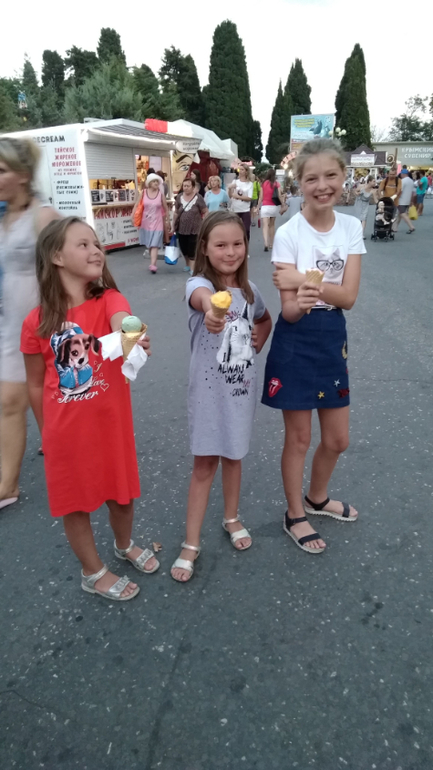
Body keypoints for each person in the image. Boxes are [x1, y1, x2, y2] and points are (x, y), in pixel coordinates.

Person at [20, 217, 158, 601]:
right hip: (64, 434)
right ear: (56, 256)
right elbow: (35, 383)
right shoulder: (36, 322)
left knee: (123, 498)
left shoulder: (108, 299)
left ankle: (123, 544)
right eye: (83, 244)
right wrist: (46, 431)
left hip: (111, 427)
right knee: (76, 506)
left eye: (96, 244)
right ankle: (92, 571)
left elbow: (123, 319)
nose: (96, 250)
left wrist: (131, 336)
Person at [265, 138, 365, 554]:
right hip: (296, 338)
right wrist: (304, 295)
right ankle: (295, 514)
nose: (322, 186)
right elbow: (289, 311)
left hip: (332, 336)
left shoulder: (351, 227)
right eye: (312, 179)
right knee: (299, 438)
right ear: (299, 183)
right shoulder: (289, 233)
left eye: (331, 176)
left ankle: (317, 497)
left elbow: (349, 297)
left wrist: (302, 280)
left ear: (343, 176)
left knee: (338, 439)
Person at [170, 211, 272, 582]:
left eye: (237, 243)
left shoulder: (250, 292)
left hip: (240, 391)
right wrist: (213, 311)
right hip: (207, 396)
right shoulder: (198, 285)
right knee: (204, 466)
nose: (231, 252)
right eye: (221, 245)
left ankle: (232, 517)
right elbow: (202, 300)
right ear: (205, 249)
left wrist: (260, 337)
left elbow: (264, 318)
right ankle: (191, 542)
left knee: (234, 456)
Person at [0, 137, 60, 511]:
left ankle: (70, 457)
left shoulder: (43, 216)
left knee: (48, 400)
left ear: (22, 175)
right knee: (9, 401)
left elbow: (75, 263)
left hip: (44, 326)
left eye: (1, 170)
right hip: (10, 324)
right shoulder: (3, 216)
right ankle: (8, 485)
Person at [132, 173, 169, 274]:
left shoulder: (160, 194)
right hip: (146, 223)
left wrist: (167, 221)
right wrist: (132, 216)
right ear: (149, 183)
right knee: (149, 244)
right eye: (154, 181)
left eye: (157, 181)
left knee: (154, 244)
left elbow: (165, 208)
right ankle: (152, 260)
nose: (156, 183)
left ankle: (153, 264)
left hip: (158, 222)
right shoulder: (143, 193)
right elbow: (137, 205)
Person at [173, 178, 208, 274]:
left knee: (192, 248)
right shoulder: (179, 197)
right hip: (182, 228)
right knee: (184, 248)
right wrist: (173, 225)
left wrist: (204, 222)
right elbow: (176, 212)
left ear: (193, 187)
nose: (186, 188)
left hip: (195, 228)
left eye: (188, 186)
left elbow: (205, 211)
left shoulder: (198, 198)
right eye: (184, 186)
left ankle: (193, 268)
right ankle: (187, 264)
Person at [257, 168, 285, 251]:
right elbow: (279, 195)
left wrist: (258, 207)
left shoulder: (263, 184)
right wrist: (283, 204)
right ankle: (271, 243)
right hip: (273, 207)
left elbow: (261, 197)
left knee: (265, 226)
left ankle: (266, 243)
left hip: (265, 207)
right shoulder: (277, 184)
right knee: (272, 225)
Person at [228, 164, 254, 240]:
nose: (240, 171)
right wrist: (230, 189)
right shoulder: (235, 182)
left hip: (245, 209)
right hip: (235, 209)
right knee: (234, 229)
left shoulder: (250, 184)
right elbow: (230, 196)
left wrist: (238, 197)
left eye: (242, 169)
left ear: (246, 172)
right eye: (239, 169)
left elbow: (249, 198)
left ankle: (246, 244)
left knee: (246, 229)